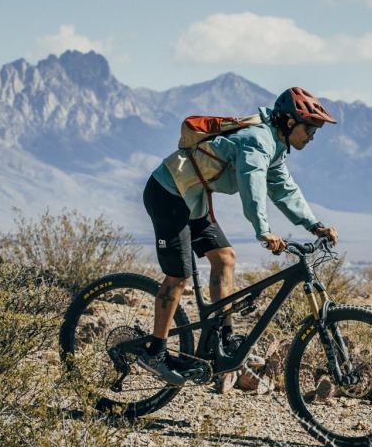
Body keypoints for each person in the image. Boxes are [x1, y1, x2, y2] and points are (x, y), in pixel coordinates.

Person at [138, 86, 339, 385]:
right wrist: (264, 231)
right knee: (178, 277)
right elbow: (252, 184)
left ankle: (221, 339)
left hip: (193, 197)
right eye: (310, 129)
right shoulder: (257, 141)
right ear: (288, 122)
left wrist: (314, 225)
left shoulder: (275, 147)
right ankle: (154, 351)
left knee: (224, 258)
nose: (312, 137)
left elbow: (284, 189)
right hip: (168, 193)